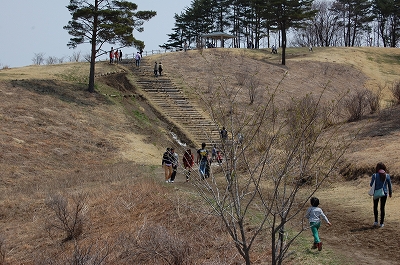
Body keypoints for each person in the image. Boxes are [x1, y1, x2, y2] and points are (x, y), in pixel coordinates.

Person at [370, 162, 392, 228]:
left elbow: (371, 184)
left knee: (375, 207)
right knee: (382, 208)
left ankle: (376, 221)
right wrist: (390, 193)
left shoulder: (375, 175)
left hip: (376, 193)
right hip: (384, 193)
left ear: (377, 168)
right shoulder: (387, 175)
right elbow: (390, 185)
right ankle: (382, 223)